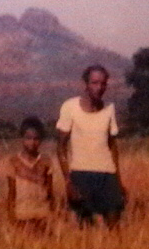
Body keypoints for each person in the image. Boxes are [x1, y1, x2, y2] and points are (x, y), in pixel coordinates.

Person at [56, 65, 125, 228]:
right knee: (84, 230)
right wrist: (68, 182)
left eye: (103, 83)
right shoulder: (70, 107)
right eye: (94, 83)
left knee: (114, 228)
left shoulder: (109, 109)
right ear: (85, 84)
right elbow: (60, 148)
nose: (99, 87)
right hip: (81, 175)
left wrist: (118, 181)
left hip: (107, 174)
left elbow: (113, 146)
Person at [6, 116, 54, 230]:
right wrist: (11, 216)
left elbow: (50, 191)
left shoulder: (46, 161)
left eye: (36, 139)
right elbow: (11, 192)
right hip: (22, 213)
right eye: (28, 138)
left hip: (42, 212)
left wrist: (53, 214)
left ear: (41, 139)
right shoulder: (14, 162)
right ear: (21, 138)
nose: (32, 142)